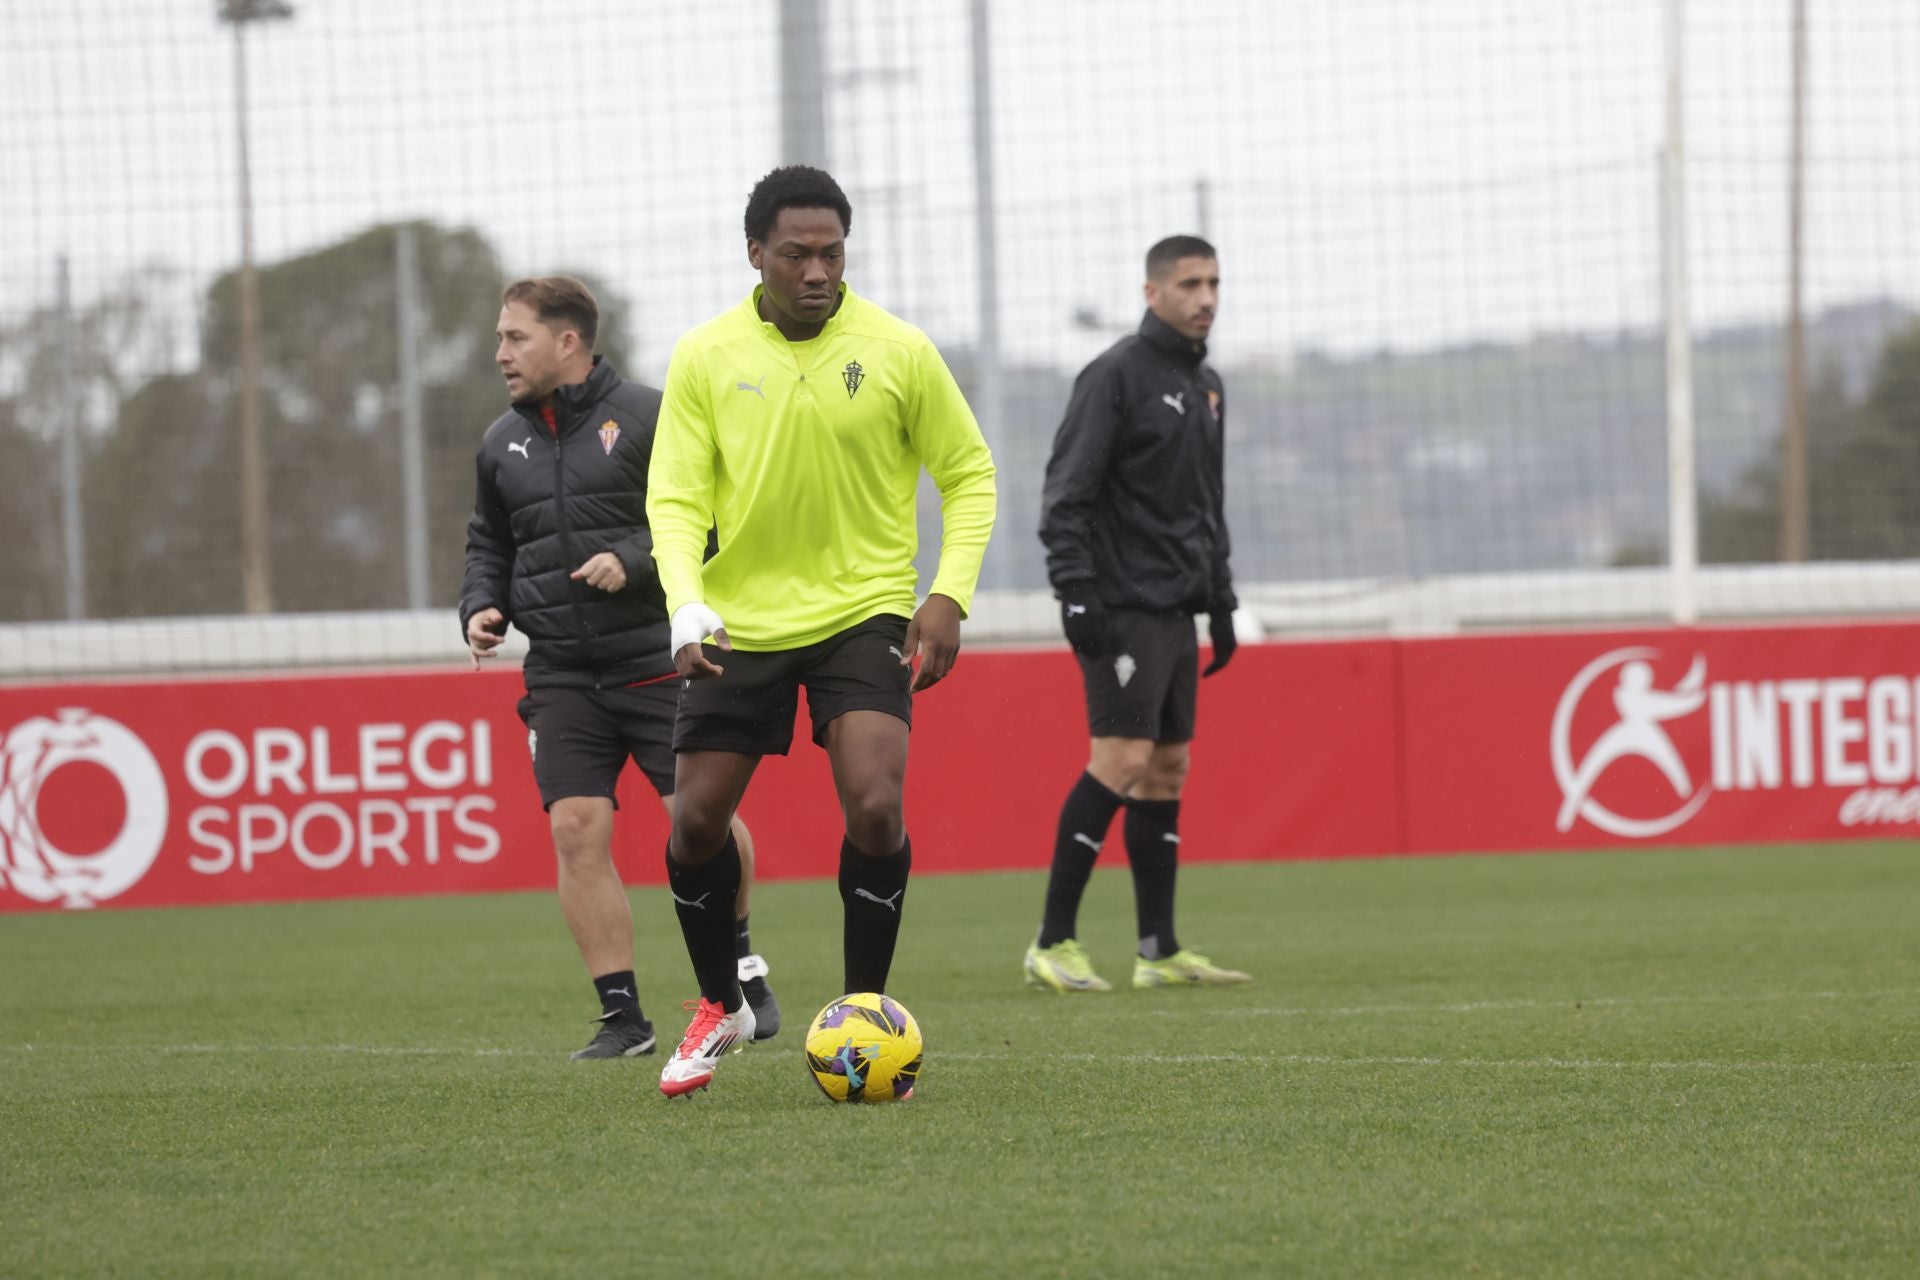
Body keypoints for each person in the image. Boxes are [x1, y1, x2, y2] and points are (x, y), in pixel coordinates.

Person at [645, 166, 997, 1097]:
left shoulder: (898, 350)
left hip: (864, 609)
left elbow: (969, 474)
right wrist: (686, 602)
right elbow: (674, 498)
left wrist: (948, 595)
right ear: (754, 252)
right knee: (693, 826)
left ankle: (864, 1019)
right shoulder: (705, 355)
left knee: (877, 807)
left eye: (832, 252)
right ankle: (719, 1008)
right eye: (796, 253)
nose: (816, 270)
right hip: (741, 621)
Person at [460, 275, 780, 1059]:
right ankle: (623, 1018)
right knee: (576, 828)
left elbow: (708, 521)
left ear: (567, 341)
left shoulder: (646, 415)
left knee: (696, 822)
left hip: (658, 658)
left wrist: (633, 562)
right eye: (501, 337)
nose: (500, 352)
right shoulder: (500, 442)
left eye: (515, 336)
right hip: (563, 676)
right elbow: (488, 544)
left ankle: (739, 965)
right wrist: (480, 605)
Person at [1025, 235, 1252, 993]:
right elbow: (1067, 495)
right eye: (1189, 282)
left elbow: (1206, 506)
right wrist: (1075, 590)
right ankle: (1052, 943)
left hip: (1177, 609)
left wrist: (1219, 601)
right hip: (1119, 605)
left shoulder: (1208, 384)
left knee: (1166, 770)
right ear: (1153, 292)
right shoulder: (1115, 374)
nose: (1206, 296)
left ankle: (1158, 950)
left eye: (1214, 281)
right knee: (1119, 761)